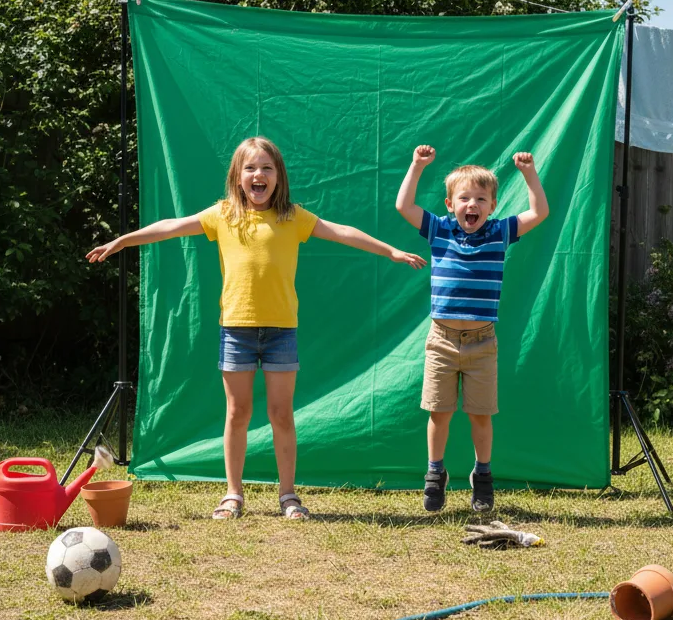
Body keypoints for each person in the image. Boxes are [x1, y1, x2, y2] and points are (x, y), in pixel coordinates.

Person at [88, 136, 426, 520]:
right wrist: (122, 241)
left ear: (278, 176)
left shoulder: (293, 217)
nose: (259, 175)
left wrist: (391, 251)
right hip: (236, 331)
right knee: (238, 413)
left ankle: (288, 495)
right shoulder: (223, 215)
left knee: (282, 414)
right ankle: (233, 495)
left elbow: (343, 231)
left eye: (267, 168)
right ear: (238, 177)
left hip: (282, 332)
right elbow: (169, 227)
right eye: (250, 168)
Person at [394, 144, 549, 513]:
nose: (471, 204)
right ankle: (435, 473)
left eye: (480, 198)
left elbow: (539, 212)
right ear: (450, 204)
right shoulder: (439, 230)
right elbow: (404, 206)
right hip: (442, 342)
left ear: (492, 206)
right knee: (439, 412)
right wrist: (417, 167)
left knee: (480, 414)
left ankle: (482, 474)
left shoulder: (499, 233)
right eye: (464, 198)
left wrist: (529, 174)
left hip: (482, 344)